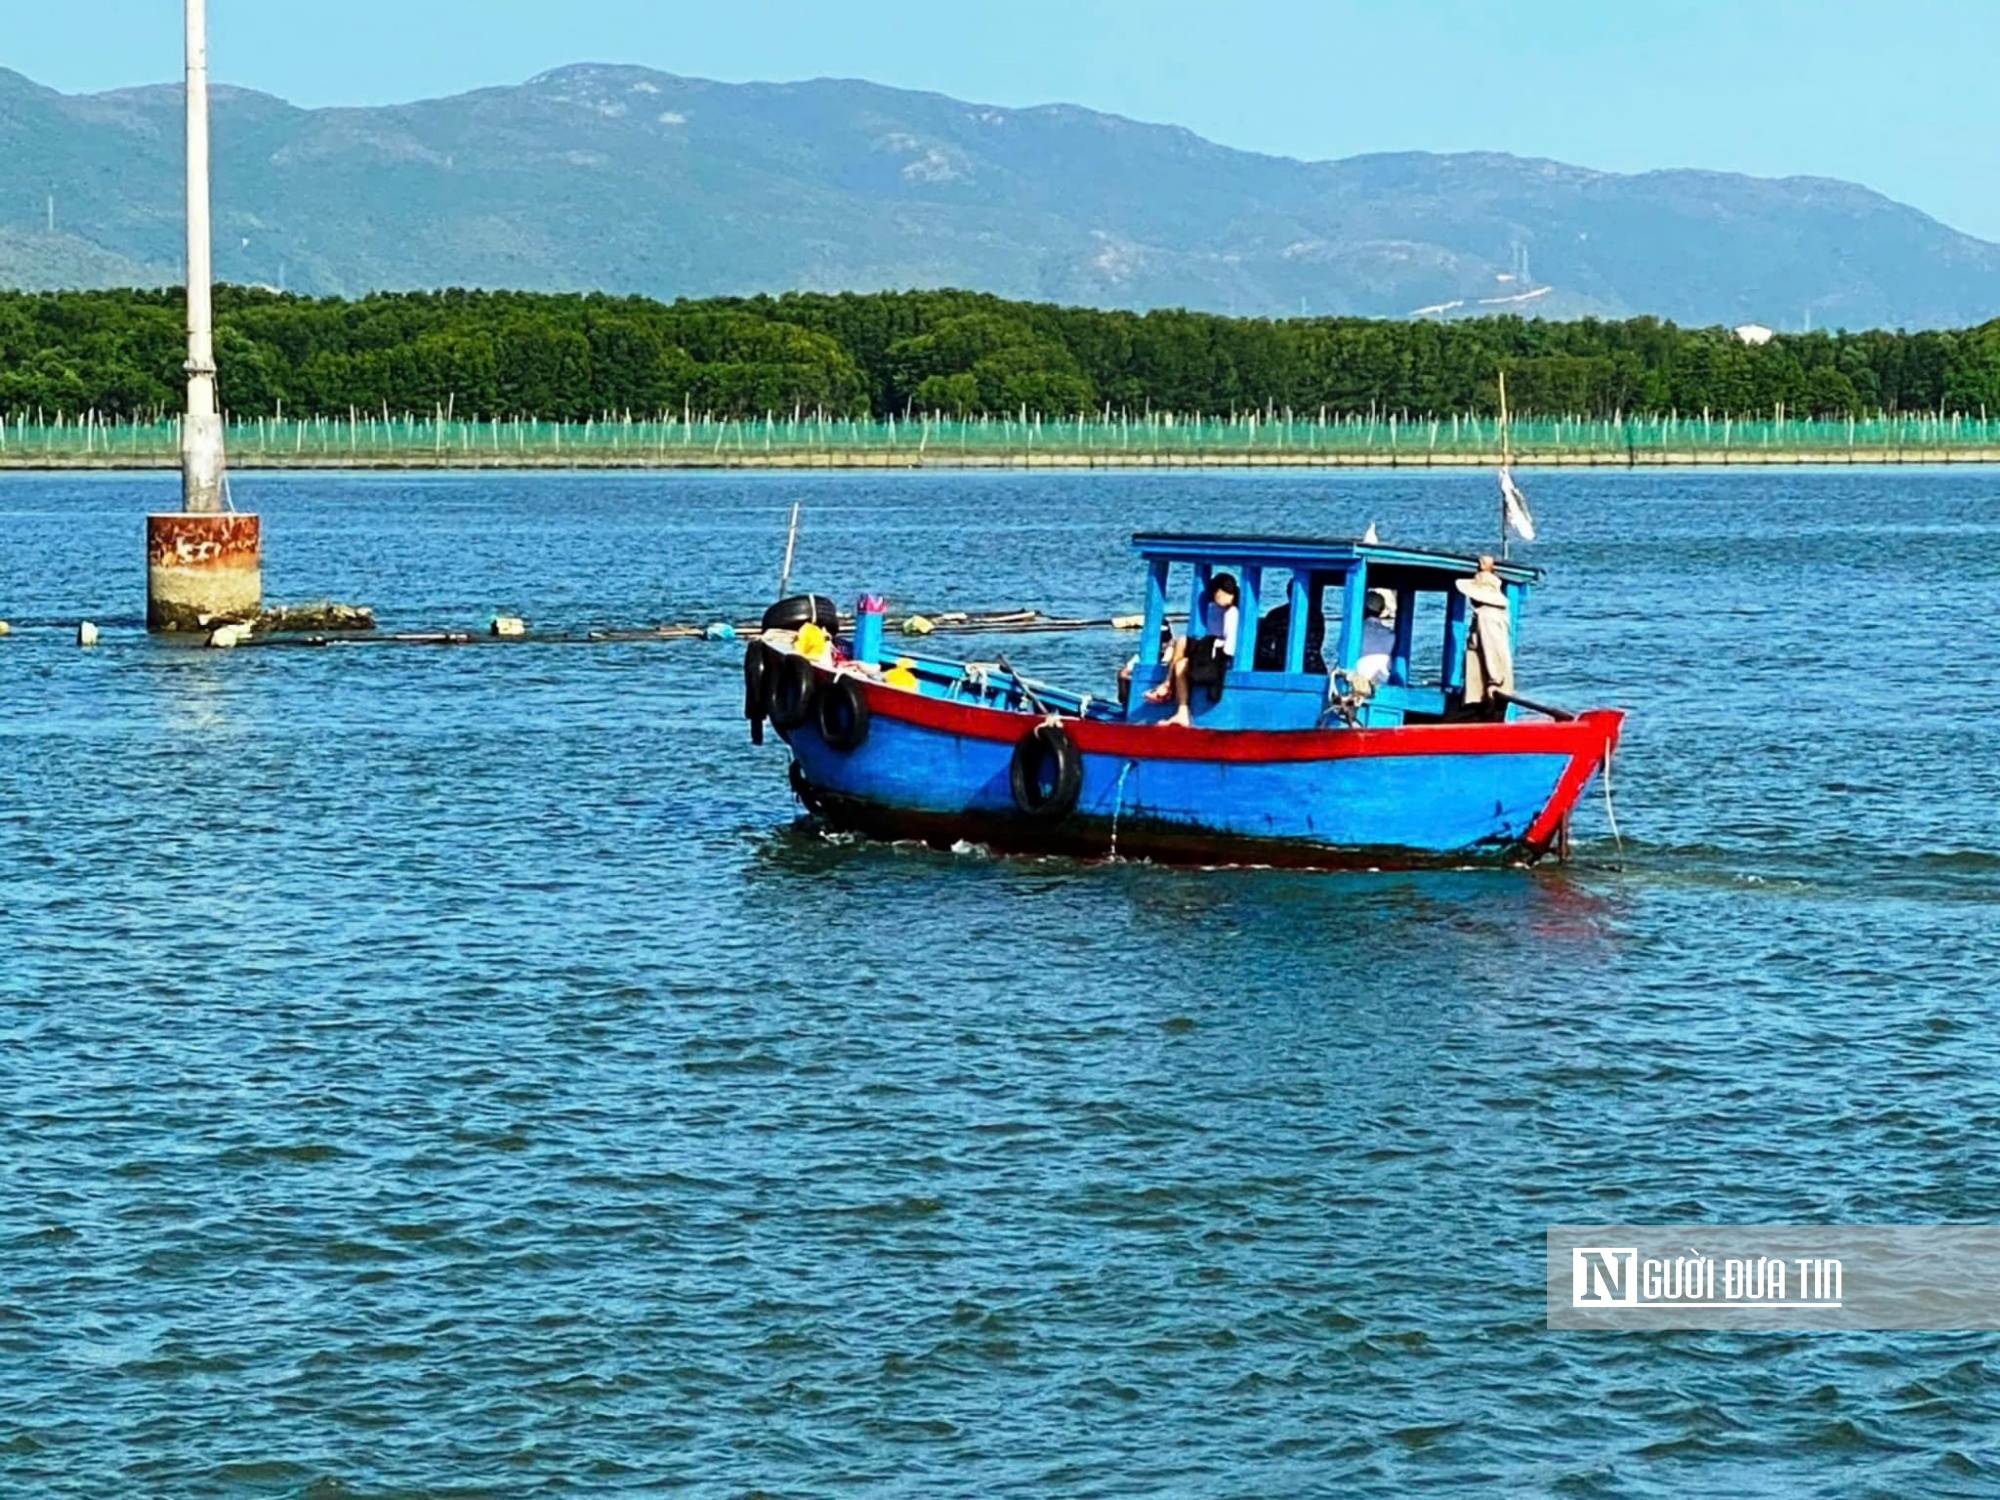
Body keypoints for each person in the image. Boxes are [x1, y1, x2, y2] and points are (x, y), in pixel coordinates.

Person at [1145, 572, 1239, 727]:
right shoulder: (1215, 609)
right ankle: (1177, 701)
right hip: (1211, 649)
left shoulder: (1233, 613)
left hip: (1218, 656)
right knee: (1181, 653)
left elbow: (1229, 648)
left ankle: (1169, 689)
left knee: (1182, 651)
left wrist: (1210, 645)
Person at [1456, 557, 1514, 715]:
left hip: (1486, 695)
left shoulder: (1486, 616)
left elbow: (1492, 649)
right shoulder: (1498, 614)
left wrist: (1493, 682)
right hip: (1490, 692)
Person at [1354, 588, 1397, 685]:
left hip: (1356, 680)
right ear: (1381, 611)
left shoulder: (1356, 631)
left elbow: (1340, 650)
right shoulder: (1390, 635)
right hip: (1382, 680)